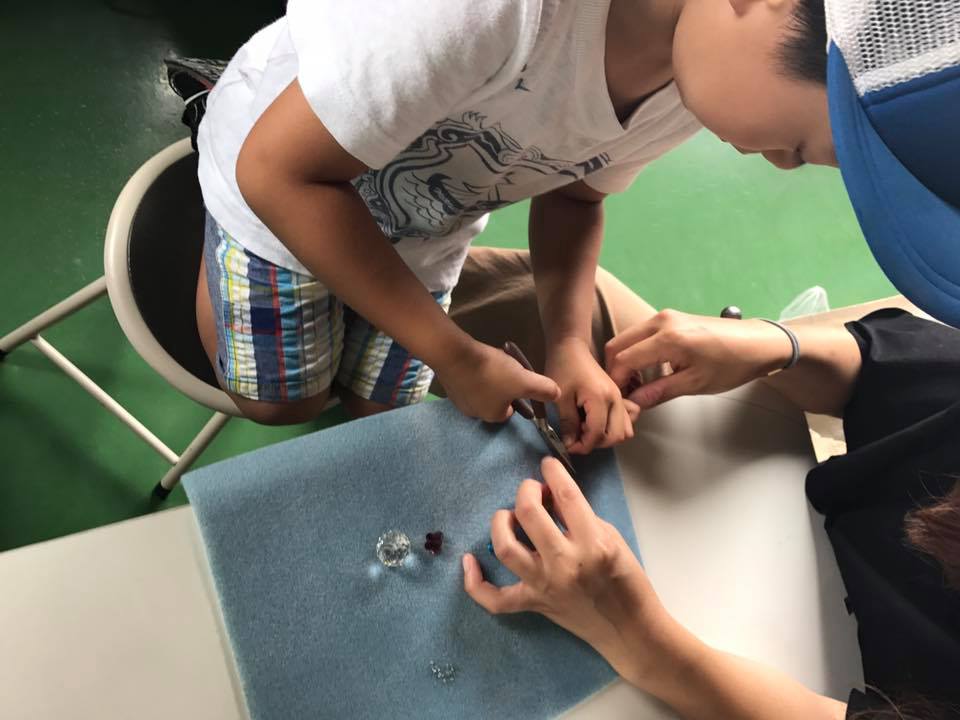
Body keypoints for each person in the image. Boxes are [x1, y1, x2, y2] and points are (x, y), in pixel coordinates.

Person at [460, 0, 960, 715]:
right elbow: (906, 367)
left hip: (815, 686)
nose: (781, 163)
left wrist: (638, 635)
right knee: (584, 313)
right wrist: (770, 346)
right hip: (816, 520)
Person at [193, 0, 837, 453]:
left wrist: (570, 344)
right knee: (283, 405)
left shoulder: (699, 81)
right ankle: (214, 143)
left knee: (377, 409)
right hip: (283, 181)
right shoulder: (494, 11)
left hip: (429, 222)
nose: (781, 163)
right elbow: (278, 174)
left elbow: (575, 199)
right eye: (802, 147)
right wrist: (455, 356)